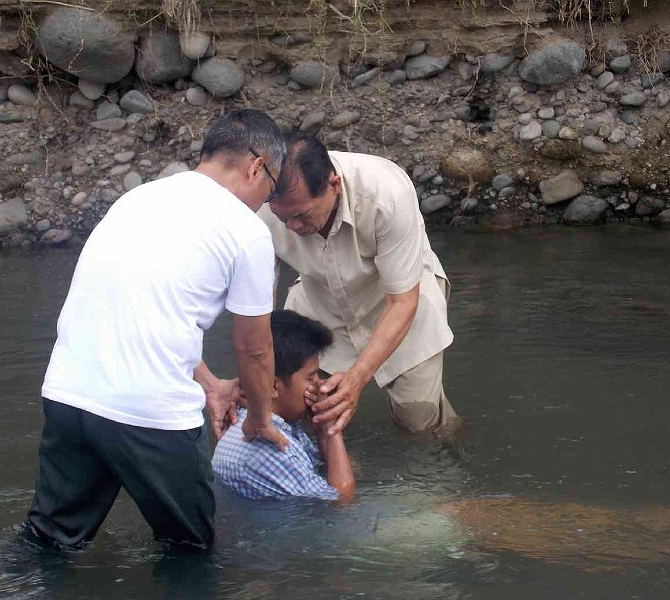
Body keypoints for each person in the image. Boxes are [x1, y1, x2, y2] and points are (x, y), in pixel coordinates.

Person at [23, 109, 289, 551]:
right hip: (151, 418)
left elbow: (144, 311)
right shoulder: (247, 232)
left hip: (69, 396)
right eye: (271, 188)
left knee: (46, 543)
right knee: (189, 549)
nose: (266, 202)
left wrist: (208, 383)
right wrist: (260, 419)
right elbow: (255, 349)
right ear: (256, 166)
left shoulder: (139, 198)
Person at [258, 132, 458, 439]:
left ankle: (450, 460)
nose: (293, 228)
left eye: (301, 216)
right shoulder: (258, 204)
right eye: (282, 219)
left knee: (420, 423)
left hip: (397, 300)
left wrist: (357, 378)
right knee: (304, 409)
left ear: (334, 185)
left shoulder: (385, 193)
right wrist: (260, 376)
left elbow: (403, 300)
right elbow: (259, 306)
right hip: (318, 301)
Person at [212, 309, 355, 501]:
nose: (320, 386)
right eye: (310, 377)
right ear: (273, 386)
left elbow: (332, 469)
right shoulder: (271, 446)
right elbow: (342, 500)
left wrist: (321, 433)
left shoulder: (275, 423)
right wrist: (332, 429)